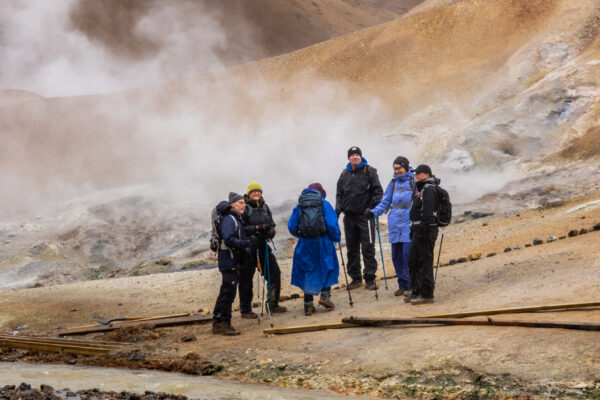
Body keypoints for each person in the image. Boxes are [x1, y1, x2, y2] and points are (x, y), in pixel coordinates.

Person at [288, 183, 341, 315]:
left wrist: (301, 235)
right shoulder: (324, 204)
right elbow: (332, 224)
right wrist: (336, 237)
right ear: (321, 193)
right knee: (327, 265)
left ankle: (308, 305)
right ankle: (325, 296)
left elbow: (291, 226)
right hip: (322, 241)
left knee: (308, 269)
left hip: (305, 243)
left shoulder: (300, 205)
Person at [335, 146, 383, 290]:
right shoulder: (344, 174)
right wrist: (338, 208)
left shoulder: (369, 171)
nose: (355, 157)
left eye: (357, 155)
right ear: (348, 158)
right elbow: (339, 193)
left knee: (368, 247)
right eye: (352, 155)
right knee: (352, 248)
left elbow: (378, 192)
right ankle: (355, 278)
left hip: (365, 217)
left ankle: (369, 278)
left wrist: (371, 208)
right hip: (349, 217)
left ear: (361, 157)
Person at [366, 156, 414, 297]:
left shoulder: (413, 181)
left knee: (407, 254)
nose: (397, 171)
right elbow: (385, 201)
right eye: (395, 169)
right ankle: (402, 285)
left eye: (399, 168)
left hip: (408, 221)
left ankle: (411, 284)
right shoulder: (392, 183)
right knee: (396, 256)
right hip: (394, 224)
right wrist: (373, 213)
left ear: (405, 166)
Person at [239, 181, 287, 317]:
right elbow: (241, 228)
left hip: (263, 245)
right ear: (249, 193)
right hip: (248, 248)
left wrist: (270, 232)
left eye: (259, 191)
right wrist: (258, 228)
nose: (257, 193)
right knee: (246, 279)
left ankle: (273, 304)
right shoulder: (245, 208)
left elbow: (272, 224)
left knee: (274, 273)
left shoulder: (265, 207)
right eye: (254, 191)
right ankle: (245, 310)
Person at [212, 192, 256, 335]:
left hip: (230, 259)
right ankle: (226, 324)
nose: (243, 205)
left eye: (244, 203)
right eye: (240, 203)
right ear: (232, 205)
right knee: (228, 293)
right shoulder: (230, 219)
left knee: (225, 291)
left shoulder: (234, 219)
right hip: (228, 259)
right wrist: (246, 243)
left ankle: (217, 322)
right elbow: (229, 239)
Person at [405, 165, 440, 305]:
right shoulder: (420, 189)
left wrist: (422, 229)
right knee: (413, 260)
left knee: (425, 261)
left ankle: (427, 294)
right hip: (418, 229)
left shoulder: (429, 189)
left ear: (425, 174)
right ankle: (416, 290)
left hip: (426, 229)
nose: (415, 176)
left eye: (418, 174)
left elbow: (428, 212)